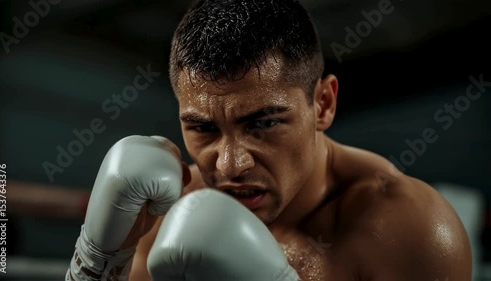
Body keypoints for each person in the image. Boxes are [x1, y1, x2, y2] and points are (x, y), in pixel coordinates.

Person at [66, 0, 472, 280]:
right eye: (203, 128)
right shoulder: (165, 214)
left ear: (324, 104)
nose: (229, 165)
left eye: (263, 124)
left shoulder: (408, 231)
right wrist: (98, 260)